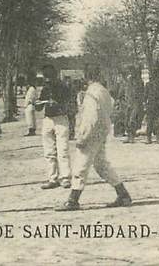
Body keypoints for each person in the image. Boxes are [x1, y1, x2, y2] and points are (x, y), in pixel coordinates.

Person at [57, 67, 132, 211]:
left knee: (81, 165)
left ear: (87, 77)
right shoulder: (104, 91)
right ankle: (123, 194)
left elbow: (90, 118)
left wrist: (83, 136)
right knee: (102, 165)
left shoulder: (92, 94)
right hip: (102, 132)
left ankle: (73, 200)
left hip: (92, 134)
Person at [35, 65, 74, 189]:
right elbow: (39, 106)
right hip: (48, 119)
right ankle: (53, 178)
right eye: (46, 77)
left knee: (62, 150)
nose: (48, 80)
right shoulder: (45, 89)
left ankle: (65, 177)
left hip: (61, 119)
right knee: (49, 151)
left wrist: (58, 104)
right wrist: (37, 103)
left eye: (49, 77)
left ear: (54, 75)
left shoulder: (64, 87)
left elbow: (70, 105)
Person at [122, 67, 144, 144]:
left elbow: (141, 93)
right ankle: (129, 136)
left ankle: (132, 137)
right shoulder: (129, 81)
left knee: (132, 119)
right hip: (129, 102)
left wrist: (140, 103)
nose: (131, 73)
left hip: (136, 102)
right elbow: (126, 92)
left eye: (132, 71)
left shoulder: (139, 81)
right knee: (127, 119)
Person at [143, 73, 159, 144]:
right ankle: (148, 138)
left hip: (158, 106)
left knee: (158, 122)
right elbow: (145, 95)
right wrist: (144, 104)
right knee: (150, 122)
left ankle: (158, 138)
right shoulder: (148, 85)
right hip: (150, 106)